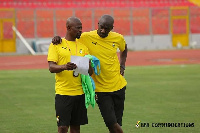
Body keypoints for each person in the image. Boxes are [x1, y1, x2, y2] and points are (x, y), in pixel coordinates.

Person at [52, 15, 128, 133]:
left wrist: (122, 65)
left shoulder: (118, 38)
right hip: (101, 90)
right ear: (97, 24)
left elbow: (124, 49)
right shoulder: (86, 37)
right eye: (101, 27)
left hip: (119, 86)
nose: (103, 31)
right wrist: (58, 38)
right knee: (111, 123)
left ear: (112, 28)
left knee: (116, 124)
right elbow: (70, 36)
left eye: (107, 29)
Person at [47, 17, 93, 133]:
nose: (80, 30)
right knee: (62, 128)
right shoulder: (56, 44)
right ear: (68, 28)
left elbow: (89, 72)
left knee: (76, 128)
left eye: (81, 28)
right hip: (63, 93)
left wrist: (89, 65)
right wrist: (64, 67)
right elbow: (51, 67)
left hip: (79, 93)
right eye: (78, 28)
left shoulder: (83, 47)